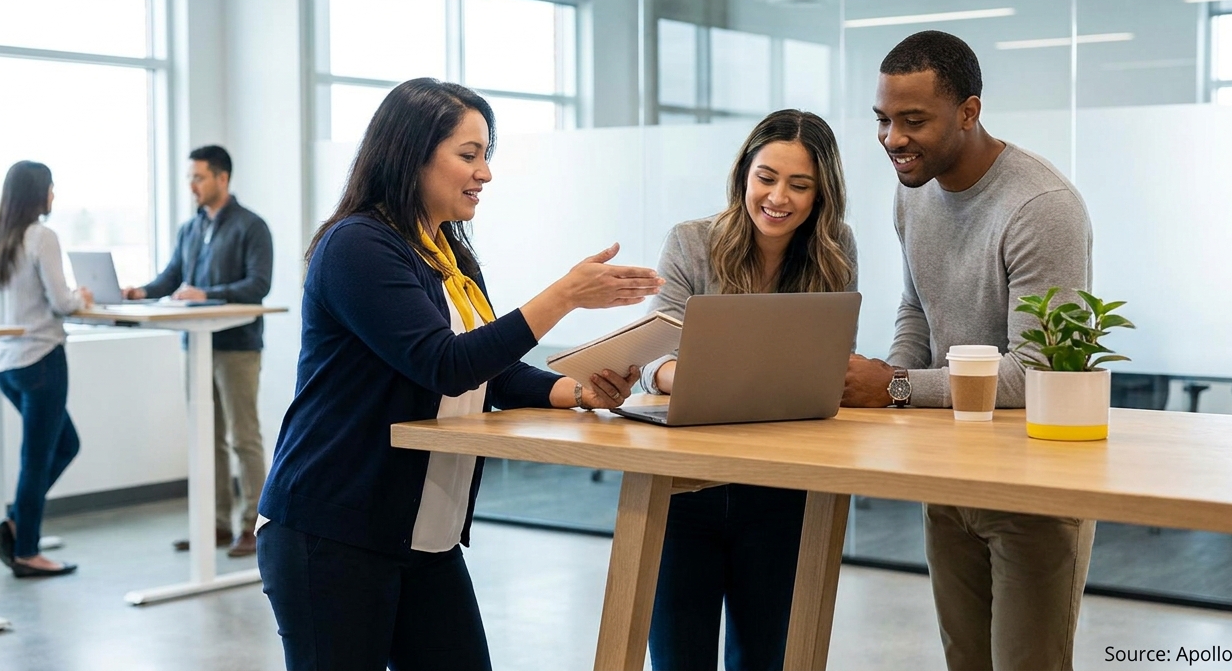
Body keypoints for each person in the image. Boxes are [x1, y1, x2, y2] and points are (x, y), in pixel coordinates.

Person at [256, 77, 662, 671]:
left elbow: (487, 373)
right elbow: (444, 364)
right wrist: (564, 296)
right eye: (469, 155)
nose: (485, 173)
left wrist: (578, 392)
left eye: (486, 156)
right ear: (409, 155)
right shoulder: (356, 247)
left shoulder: (447, 253)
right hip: (333, 530)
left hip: (424, 534)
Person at [842, 30, 1094, 671]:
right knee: (966, 661)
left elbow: (1036, 373)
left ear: (969, 112)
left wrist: (895, 389)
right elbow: (916, 309)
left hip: (1031, 492)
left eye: (913, 121)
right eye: (883, 119)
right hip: (948, 474)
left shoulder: (1041, 207)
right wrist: (890, 377)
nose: (892, 139)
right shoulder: (913, 190)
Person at [640, 109, 858, 671]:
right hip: (685, 487)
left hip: (783, 486)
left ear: (820, 195)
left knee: (768, 658)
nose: (778, 197)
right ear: (744, 175)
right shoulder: (691, 243)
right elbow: (652, 354)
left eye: (799, 184)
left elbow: (828, 361)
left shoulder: (836, 251)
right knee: (677, 658)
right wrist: (687, 375)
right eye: (766, 177)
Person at [123, 145, 274, 557]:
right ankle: (217, 524)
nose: (192, 185)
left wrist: (207, 293)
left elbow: (258, 285)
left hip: (236, 347)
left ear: (222, 178)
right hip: (196, 343)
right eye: (190, 177)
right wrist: (140, 292)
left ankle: (254, 527)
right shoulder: (190, 229)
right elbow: (173, 276)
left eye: (199, 177)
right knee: (207, 437)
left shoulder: (251, 226)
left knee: (244, 437)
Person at [0, 161, 91, 577]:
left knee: (64, 445)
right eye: (50, 187)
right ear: (36, 193)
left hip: (5, 365)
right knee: (37, 457)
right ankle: (26, 549)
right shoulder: (42, 237)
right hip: (42, 360)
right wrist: (80, 295)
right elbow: (62, 303)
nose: (53, 195)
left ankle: (15, 522)